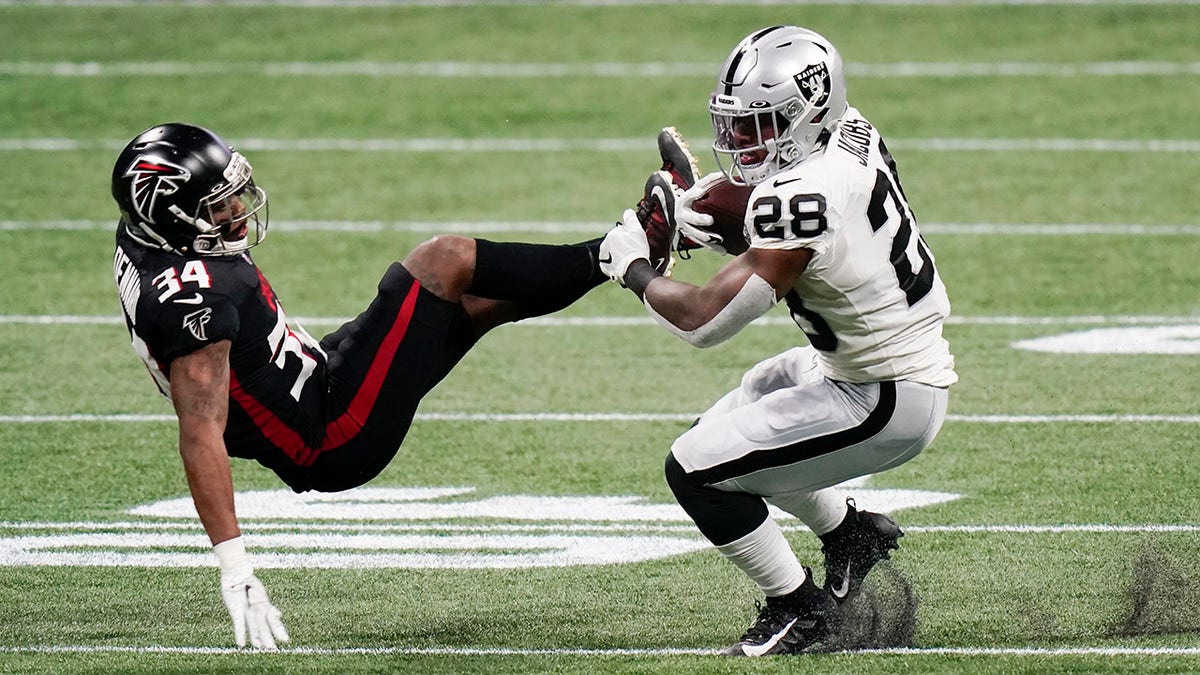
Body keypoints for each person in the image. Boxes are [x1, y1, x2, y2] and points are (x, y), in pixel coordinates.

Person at [111, 122, 639, 649]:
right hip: (330, 435)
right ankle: (619, 248)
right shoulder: (191, 304)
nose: (236, 213)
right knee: (443, 262)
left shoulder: (147, 235)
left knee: (471, 304)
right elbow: (200, 430)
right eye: (216, 207)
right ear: (170, 217)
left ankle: (629, 249)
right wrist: (235, 567)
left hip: (313, 374)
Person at [601, 25, 957, 656]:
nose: (740, 141)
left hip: (883, 397)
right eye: (735, 124)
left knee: (695, 470)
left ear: (808, 116)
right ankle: (849, 532)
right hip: (858, 365)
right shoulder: (848, 133)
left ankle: (798, 609)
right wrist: (697, 212)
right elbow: (777, 221)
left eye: (761, 125)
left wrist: (634, 267)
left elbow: (704, 321)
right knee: (742, 421)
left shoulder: (803, 197)